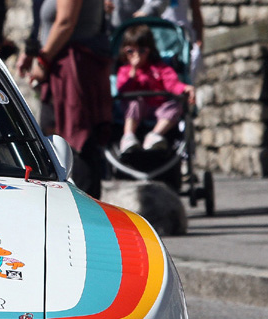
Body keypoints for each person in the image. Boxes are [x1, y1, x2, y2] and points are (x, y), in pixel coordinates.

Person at [16, 0, 112, 199]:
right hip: (61, 68)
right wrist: (32, 51)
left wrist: (42, 60)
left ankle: (86, 206)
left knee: (77, 141)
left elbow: (66, 22)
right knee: (53, 141)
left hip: (75, 70)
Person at [115, 23, 194, 154]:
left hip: (158, 109)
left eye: (142, 51)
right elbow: (122, 90)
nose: (136, 55)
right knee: (133, 102)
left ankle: (155, 134)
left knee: (176, 105)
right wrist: (133, 72)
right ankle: (128, 136)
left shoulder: (160, 68)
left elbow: (172, 84)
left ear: (149, 50)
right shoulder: (124, 71)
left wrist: (184, 88)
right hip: (135, 110)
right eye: (130, 51)